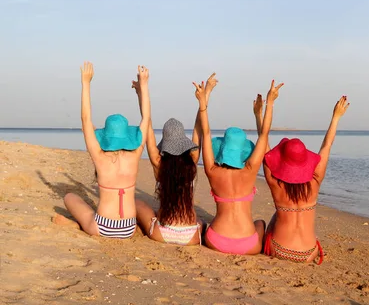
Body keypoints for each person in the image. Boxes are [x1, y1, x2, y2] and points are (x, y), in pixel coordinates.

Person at [56, 61, 150, 238]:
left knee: (70, 197)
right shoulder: (135, 154)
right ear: (127, 136)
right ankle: (82, 224)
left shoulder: (99, 156)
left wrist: (86, 83)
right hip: (129, 227)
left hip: (101, 227)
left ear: (106, 137)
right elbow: (146, 118)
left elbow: (86, 119)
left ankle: (77, 225)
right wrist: (144, 85)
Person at [254, 93, 349, 264]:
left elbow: (264, 145)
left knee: (277, 216)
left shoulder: (276, 185)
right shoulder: (315, 182)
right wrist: (336, 117)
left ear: (283, 160)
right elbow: (327, 145)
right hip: (308, 253)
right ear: (305, 161)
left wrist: (259, 114)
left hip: (280, 250)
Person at [193, 76, 283, 255]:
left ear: (222, 149)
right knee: (260, 224)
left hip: (215, 239)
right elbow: (264, 135)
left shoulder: (212, 170)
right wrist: (269, 103)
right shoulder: (249, 171)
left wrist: (203, 102)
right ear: (243, 152)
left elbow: (206, 132)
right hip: (247, 245)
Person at [134, 74, 218, 246]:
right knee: (200, 220)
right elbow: (199, 128)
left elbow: (147, 123)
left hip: (161, 233)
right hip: (191, 235)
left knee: (135, 202)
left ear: (165, 143)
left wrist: (142, 91)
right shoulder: (192, 161)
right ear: (182, 142)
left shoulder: (159, 162)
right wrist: (206, 94)